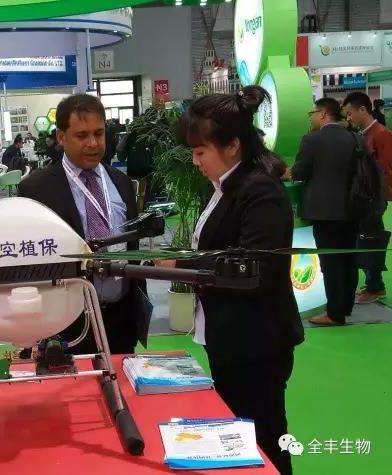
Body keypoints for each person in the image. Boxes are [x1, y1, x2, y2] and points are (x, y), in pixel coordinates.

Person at [160, 86, 304, 475]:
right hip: (229, 336)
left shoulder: (259, 190)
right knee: (240, 433)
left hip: (255, 341)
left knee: (264, 437)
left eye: (200, 152)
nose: (195, 161)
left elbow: (254, 268)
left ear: (233, 145)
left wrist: (181, 264)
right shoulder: (226, 187)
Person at [18, 94, 151, 354]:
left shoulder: (122, 183)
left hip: (120, 320)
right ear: (61, 137)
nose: (93, 143)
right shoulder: (36, 189)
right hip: (64, 323)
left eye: (99, 133)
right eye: (82, 135)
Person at [290, 98, 360, 325]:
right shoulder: (354, 138)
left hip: (324, 210)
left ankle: (334, 314)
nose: (311, 117)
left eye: (312, 112)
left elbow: (299, 172)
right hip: (352, 207)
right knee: (348, 259)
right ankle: (345, 307)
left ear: (322, 114)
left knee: (330, 263)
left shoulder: (312, 139)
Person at [343, 92, 392, 304]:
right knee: (365, 238)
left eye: (350, 113)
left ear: (362, 110)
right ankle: (373, 283)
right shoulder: (363, 134)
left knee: (372, 239)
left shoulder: (381, 134)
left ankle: (375, 286)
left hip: (373, 199)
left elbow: (385, 170)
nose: (349, 118)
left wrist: (376, 197)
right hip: (365, 198)